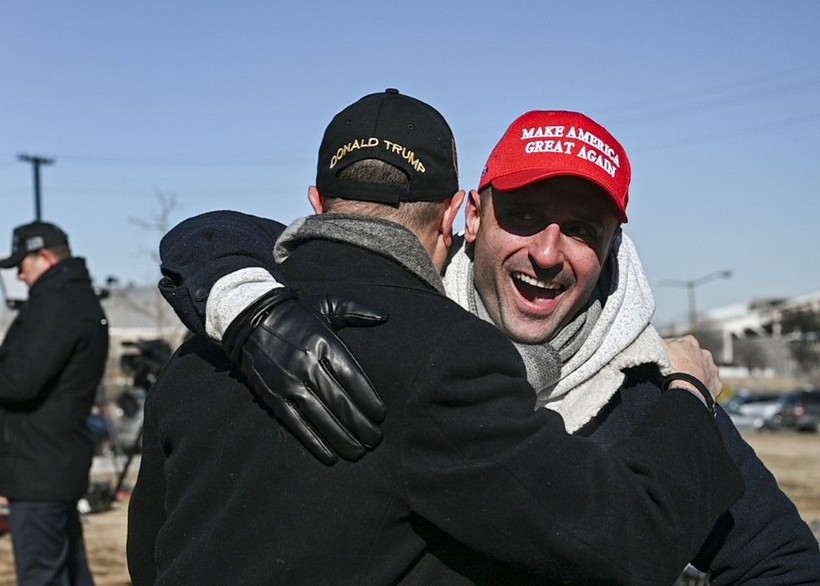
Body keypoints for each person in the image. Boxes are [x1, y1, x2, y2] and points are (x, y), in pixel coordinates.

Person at [155, 105, 820, 584]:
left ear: (615, 247)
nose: (548, 253)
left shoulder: (654, 393)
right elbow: (240, 236)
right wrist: (246, 307)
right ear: (470, 216)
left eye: (582, 229)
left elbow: (783, 563)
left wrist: (689, 394)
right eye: (525, 217)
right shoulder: (372, 326)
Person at [0, 221, 109, 586]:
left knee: (43, 575)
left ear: (44, 257)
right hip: (55, 461)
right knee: (70, 573)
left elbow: (17, 382)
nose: (19, 273)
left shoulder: (56, 305)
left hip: (38, 470)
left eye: (23, 264)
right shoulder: (76, 299)